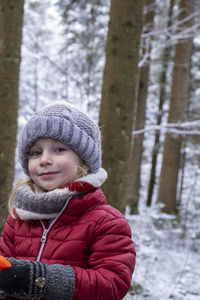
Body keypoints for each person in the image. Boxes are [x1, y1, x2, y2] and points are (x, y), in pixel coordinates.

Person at [0, 101, 136, 300]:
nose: (44, 159)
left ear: (83, 160)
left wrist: (41, 279)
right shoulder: (19, 216)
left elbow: (112, 284)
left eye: (59, 149)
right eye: (36, 152)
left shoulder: (107, 221)